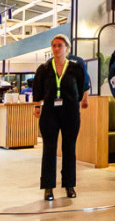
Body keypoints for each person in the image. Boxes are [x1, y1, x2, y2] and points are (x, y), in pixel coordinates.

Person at [31, 35, 90, 202]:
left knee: (69, 148)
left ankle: (69, 185)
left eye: (60, 46)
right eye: (54, 46)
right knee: (49, 149)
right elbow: (37, 89)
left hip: (70, 112)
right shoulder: (44, 68)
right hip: (50, 113)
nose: (56, 49)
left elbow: (82, 87)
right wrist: (37, 107)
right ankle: (48, 187)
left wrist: (83, 100)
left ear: (67, 48)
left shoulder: (76, 68)